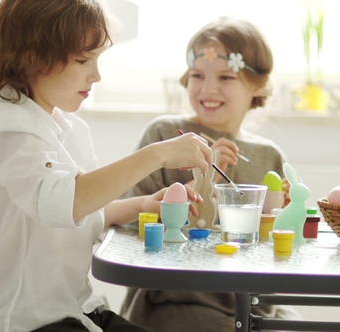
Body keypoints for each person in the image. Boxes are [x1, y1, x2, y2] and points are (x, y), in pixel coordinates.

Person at [0, 1, 212, 331]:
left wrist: (144, 204)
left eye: (97, 59)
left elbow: (80, 209)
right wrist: (157, 154)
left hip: (73, 311)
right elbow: (67, 201)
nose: (97, 74)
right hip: (20, 322)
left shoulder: (66, 128)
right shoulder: (9, 131)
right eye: (82, 60)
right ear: (32, 57)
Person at [119, 17, 300, 332]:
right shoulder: (163, 136)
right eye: (197, 75)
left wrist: (284, 212)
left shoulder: (269, 155)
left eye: (226, 77)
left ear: (257, 85)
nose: (208, 88)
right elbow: (127, 220)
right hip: (173, 301)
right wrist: (201, 183)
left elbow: (278, 240)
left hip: (252, 303)